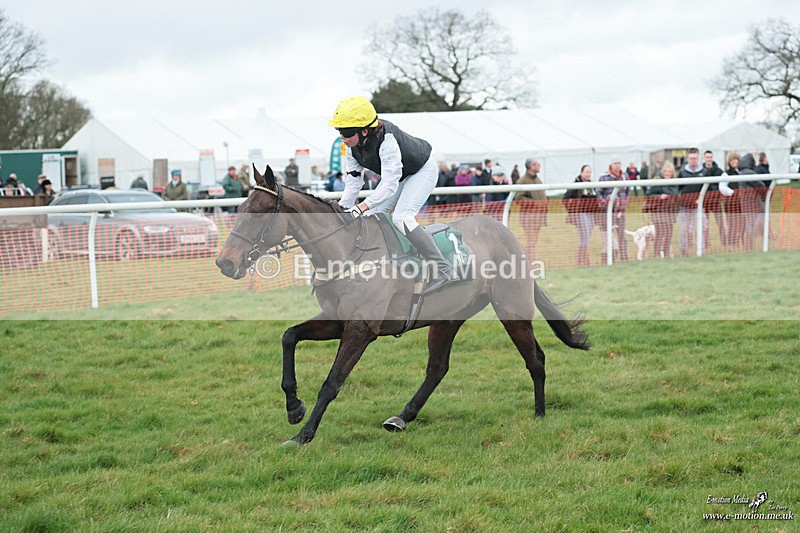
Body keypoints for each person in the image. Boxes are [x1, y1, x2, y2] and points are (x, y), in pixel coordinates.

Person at [328, 95, 458, 294]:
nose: (342, 138)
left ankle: (443, 269)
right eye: (339, 132)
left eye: (346, 133)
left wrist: (360, 207)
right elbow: (354, 182)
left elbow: (389, 185)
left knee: (402, 217)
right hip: (400, 176)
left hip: (422, 170)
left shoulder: (387, 140)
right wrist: (344, 207)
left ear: (364, 130)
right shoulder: (352, 148)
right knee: (370, 217)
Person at [596, 156, 630, 262]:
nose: (617, 165)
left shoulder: (625, 176)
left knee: (621, 235)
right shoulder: (603, 177)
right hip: (607, 212)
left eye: (619, 163)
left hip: (620, 212)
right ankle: (609, 259)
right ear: (611, 165)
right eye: (615, 163)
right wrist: (606, 203)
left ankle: (624, 258)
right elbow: (599, 193)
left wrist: (622, 206)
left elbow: (627, 192)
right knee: (608, 236)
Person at [562, 164, 597, 267]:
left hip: (591, 215)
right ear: (581, 173)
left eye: (590, 172)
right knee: (584, 237)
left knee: (587, 237)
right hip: (581, 214)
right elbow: (565, 199)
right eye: (586, 172)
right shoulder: (576, 185)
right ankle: (585, 260)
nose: (588, 174)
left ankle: (580, 259)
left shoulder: (592, 185)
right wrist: (572, 210)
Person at [644, 161, 679, 259]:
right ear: (663, 172)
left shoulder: (675, 184)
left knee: (669, 234)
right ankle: (657, 254)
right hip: (658, 212)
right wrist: (659, 197)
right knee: (660, 233)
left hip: (670, 212)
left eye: (669, 172)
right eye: (665, 171)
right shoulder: (657, 181)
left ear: (672, 173)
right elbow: (648, 195)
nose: (667, 173)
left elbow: (676, 198)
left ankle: (666, 254)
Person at [515, 157, 548, 261]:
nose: (539, 166)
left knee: (533, 241)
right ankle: (530, 261)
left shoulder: (538, 180)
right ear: (531, 166)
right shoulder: (522, 181)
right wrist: (534, 203)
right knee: (531, 241)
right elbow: (518, 198)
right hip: (528, 217)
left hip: (538, 216)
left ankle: (528, 260)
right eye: (537, 164)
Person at [676, 148, 707, 257]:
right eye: (691, 158)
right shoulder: (682, 172)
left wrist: (701, 199)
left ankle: (701, 252)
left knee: (700, 229)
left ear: (698, 159)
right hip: (684, 206)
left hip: (698, 206)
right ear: (688, 159)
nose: (693, 160)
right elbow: (678, 188)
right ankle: (683, 252)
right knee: (683, 230)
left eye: (695, 158)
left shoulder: (704, 172)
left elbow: (708, 188)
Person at [737, 153, 767, 251]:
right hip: (751, 203)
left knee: (750, 224)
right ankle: (748, 247)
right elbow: (761, 185)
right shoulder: (749, 173)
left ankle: (748, 246)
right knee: (751, 225)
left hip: (745, 203)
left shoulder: (741, 172)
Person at [702, 150, 726, 249]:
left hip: (716, 201)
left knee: (720, 222)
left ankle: (724, 241)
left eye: (710, 157)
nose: (709, 159)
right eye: (707, 157)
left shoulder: (719, 171)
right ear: (704, 158)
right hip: (705, 201)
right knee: (705, 224)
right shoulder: (701, 171)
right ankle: (706, 243)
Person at [720, 152, 741, 249]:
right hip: (730, 203)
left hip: (742, 203)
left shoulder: (742, 172)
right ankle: (731, 244)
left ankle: (740, 243)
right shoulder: (726, 174)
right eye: (731, 160)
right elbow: (722, 187)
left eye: (735, 159)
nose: (733, 161)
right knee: (732, 224)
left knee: (741, 223)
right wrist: (733, 193)